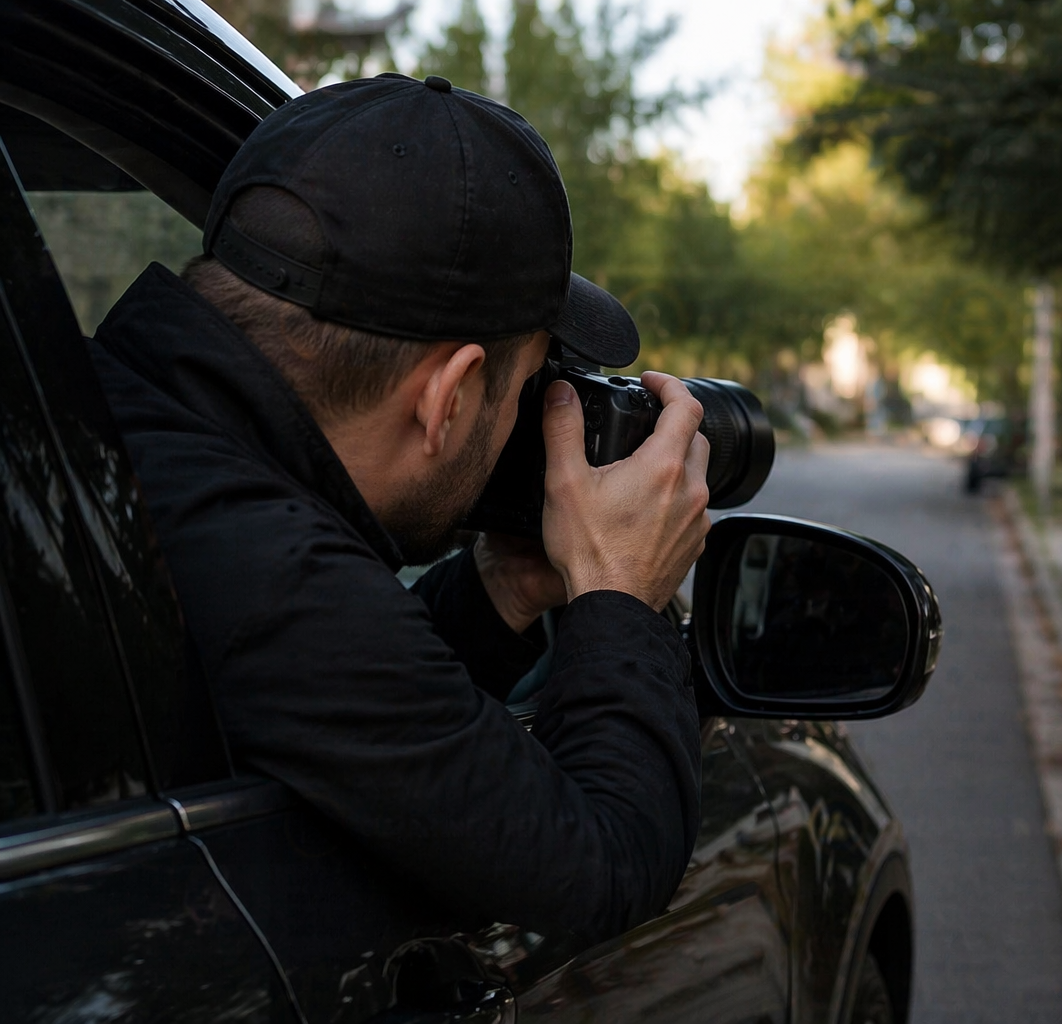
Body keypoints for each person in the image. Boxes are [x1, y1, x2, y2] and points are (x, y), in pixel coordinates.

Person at [87, 74, 710, 944]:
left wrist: (497, 591)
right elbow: (604, 866)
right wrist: (620, 594)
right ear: (447, 397)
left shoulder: (125, 440)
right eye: (528, 387)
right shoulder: (280, 577)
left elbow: (353, 711)